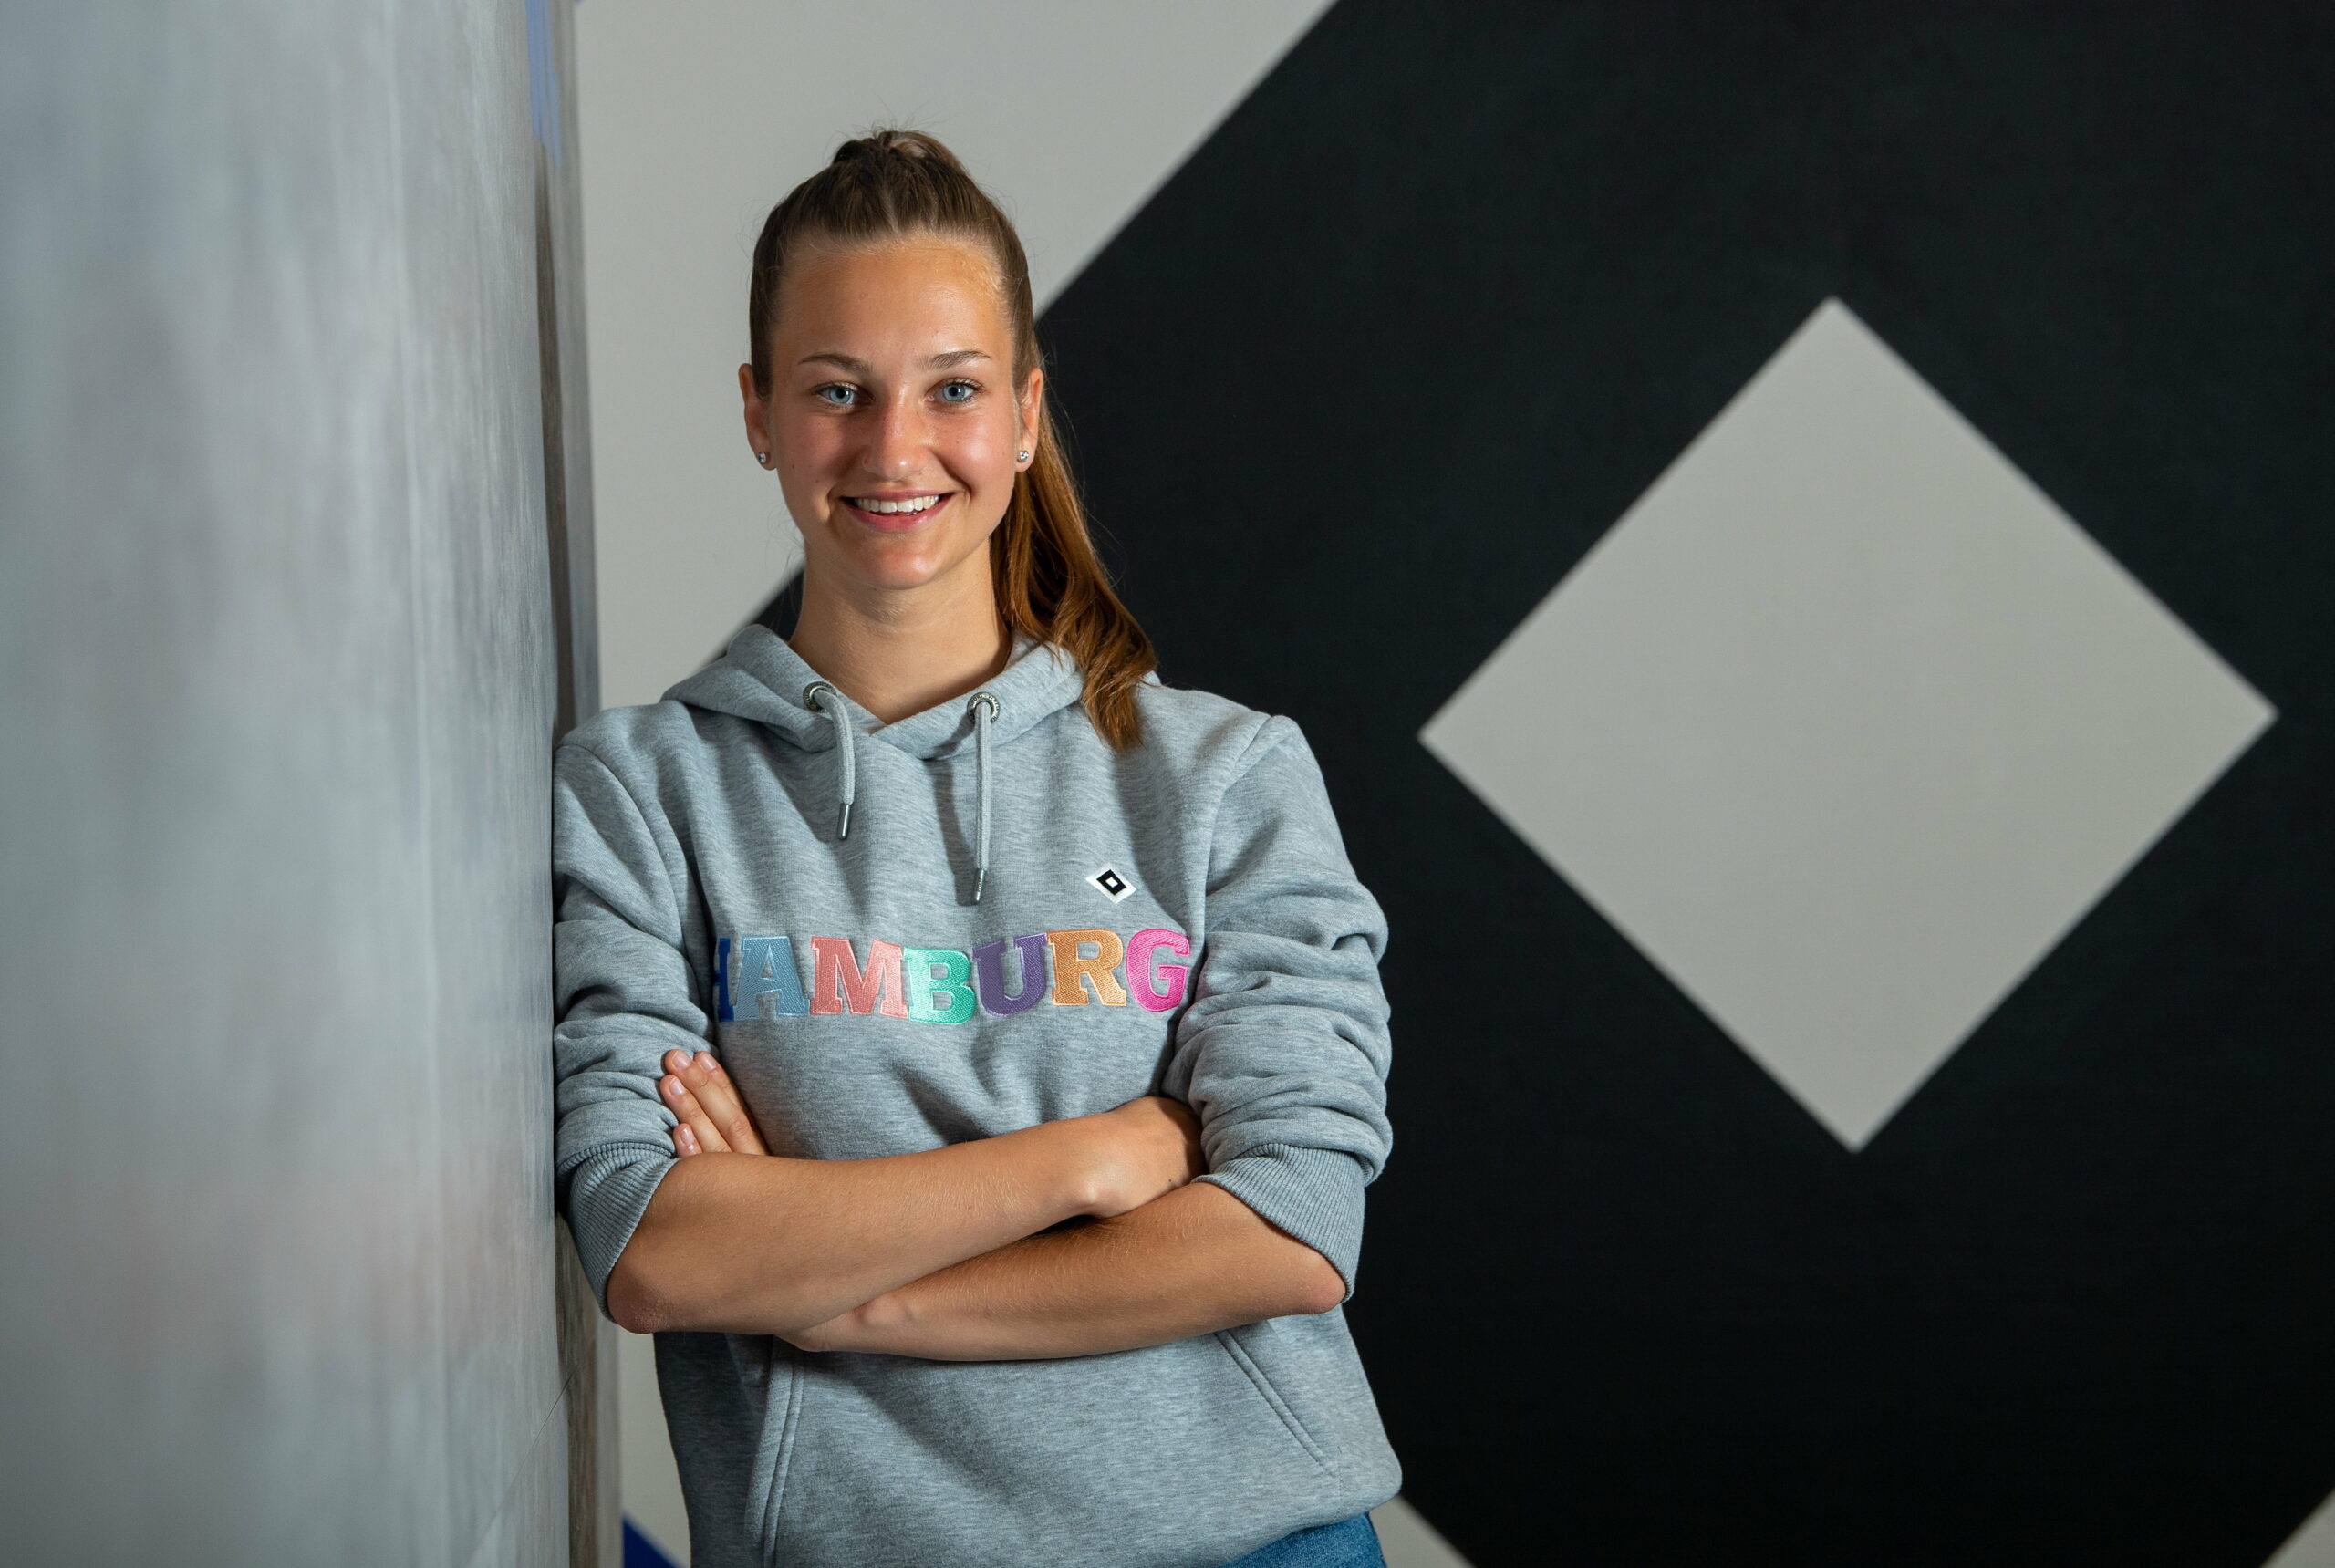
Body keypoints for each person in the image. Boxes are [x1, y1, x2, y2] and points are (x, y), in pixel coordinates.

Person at [552, 130, 1399, 1568]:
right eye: (838, 392)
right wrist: (1098, 1156)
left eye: (952, 389)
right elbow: (654, 1248)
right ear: (760, 414)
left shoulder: (1223, 776)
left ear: (1023, 416)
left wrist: (841, 1302)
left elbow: (1290, 1230)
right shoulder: (647, 791)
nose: (895, 450)